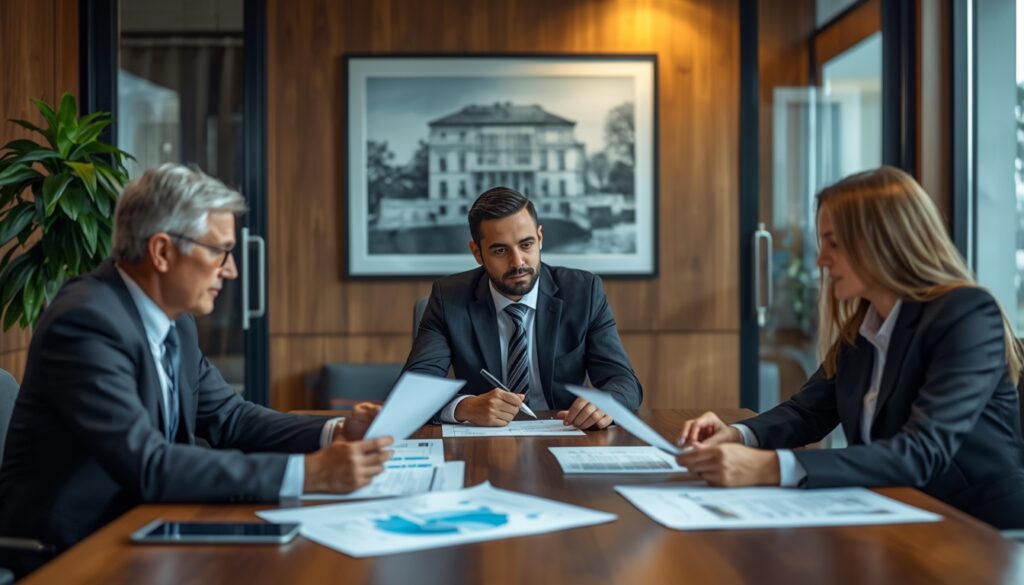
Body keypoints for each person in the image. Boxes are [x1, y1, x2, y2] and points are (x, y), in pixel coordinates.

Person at [0, 164, 393, 556]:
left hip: (148, 526)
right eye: (220, 251)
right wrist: (308, 474)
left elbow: (232, 418)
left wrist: (335, 431)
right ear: (162, 251)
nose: (231, 270)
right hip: (68, 551)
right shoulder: (86, 322)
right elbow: (149, 463)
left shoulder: (177, 323)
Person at [677, 166, 1024, 529]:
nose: (821, 260)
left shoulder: (966, 315)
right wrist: (738, 435)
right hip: (899, 516)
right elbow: (807, 413)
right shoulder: (866, 327)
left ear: (884, 241)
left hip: (978, 530)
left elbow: (922, 452)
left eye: (834, 243)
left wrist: (769, 467)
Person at [403, 186, 642, 429]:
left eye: (526, 245)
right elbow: (413, 392)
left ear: (540, 238)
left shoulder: (583, 292)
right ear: (477, 253)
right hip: (484, 440)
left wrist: (606, 404)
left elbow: (624, 382)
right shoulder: (449, 298)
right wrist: (465, 407)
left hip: (564, 430)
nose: (517, 262)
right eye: (500, 250)